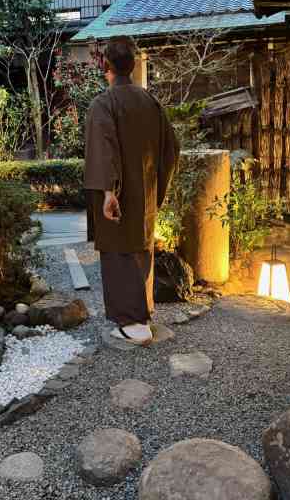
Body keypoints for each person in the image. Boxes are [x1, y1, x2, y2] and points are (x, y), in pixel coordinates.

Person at [84, 36, 180, 346]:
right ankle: (144, 312)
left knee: (118, 253)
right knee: (141, 248)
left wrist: (110, 192)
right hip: (144, 195)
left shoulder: (104, 104)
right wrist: (156, 186)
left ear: (106, 66)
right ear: (134, 65)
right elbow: (171, 149)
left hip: (117, 197)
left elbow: (104, 149)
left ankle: (133, 323)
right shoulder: (150, 102)